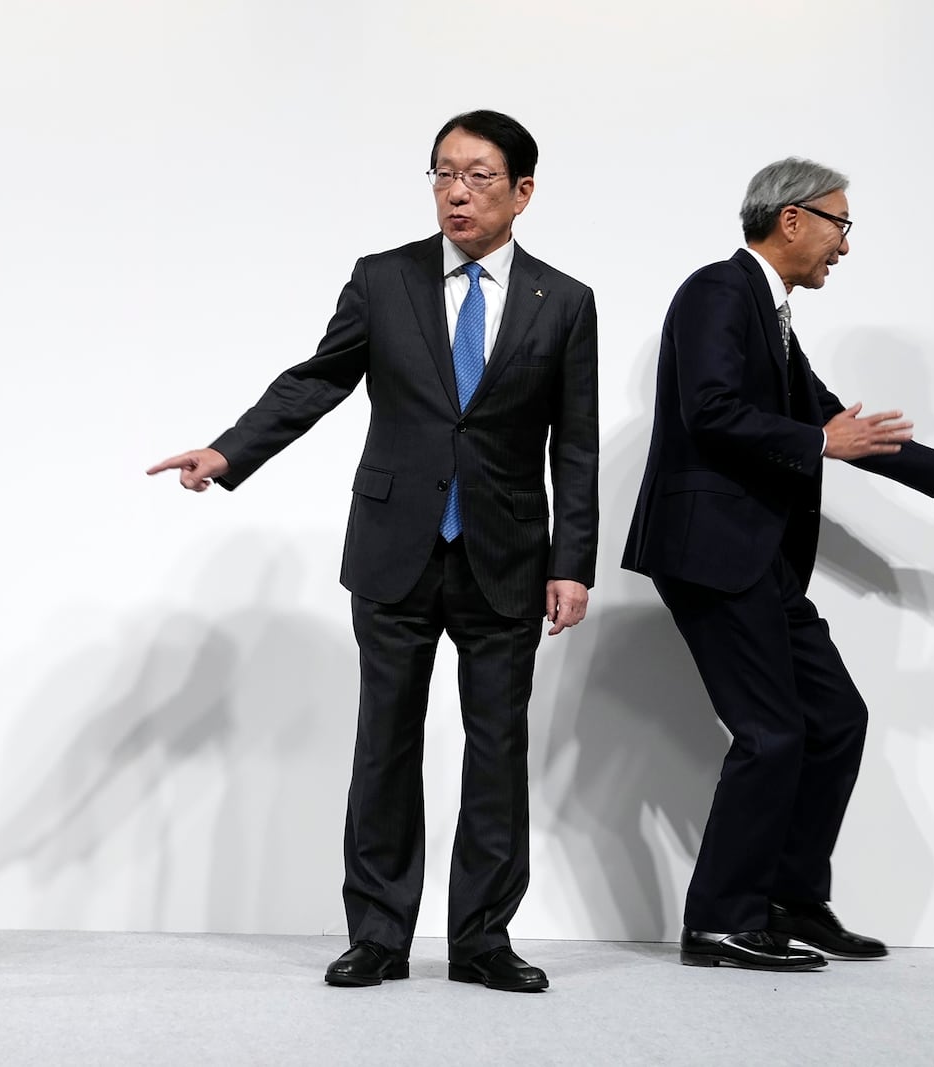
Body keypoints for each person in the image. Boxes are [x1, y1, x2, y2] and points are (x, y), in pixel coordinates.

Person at [149, 110, 598, 993]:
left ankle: (482, 941)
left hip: (506, 555)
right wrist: (229, 450)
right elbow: (318, 377)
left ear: (522, 192)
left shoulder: (565, 300)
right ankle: (380, 936)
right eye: (440, 173)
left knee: (496, 752)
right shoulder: (384, 278)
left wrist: (571, 561)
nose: (455, 192)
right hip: (396, 551)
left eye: (476, 175)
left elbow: (573, 447)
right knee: (385, 745)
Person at [622, 157, 934, 971]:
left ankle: (788, 898)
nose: (844, 245)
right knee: (772, 731)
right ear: (792, 219)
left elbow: (824, 417)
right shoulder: (718, 290)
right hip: (714, 554)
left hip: (760, 561)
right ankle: (718, 919)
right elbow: (708, 411)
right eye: (839, 224)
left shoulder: (770, 313)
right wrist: (820, 441)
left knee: (835, 720)